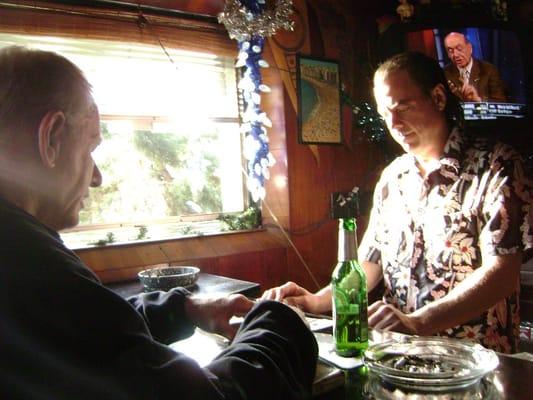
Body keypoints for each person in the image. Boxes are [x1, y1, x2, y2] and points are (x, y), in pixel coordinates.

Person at [0, 46, 317, 399]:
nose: (98, 178)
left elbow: (79, 326)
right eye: (90, 149)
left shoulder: (20, 255)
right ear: (52, 138)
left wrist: (182, 309)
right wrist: (279, 321)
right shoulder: (29, 263)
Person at [263, 52, 532, 354]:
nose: (393, 123)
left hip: (474, 363)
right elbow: (369, 264)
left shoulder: (497, 166)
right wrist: (316, 300)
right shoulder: (393, 177)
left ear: (439, 98)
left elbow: (503, 274)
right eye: (384, 112)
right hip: (400, 357)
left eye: (402, 107)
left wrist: (418, 322)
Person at [443, 32, 507, 102]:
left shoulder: (489, 70)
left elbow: (501, 102)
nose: (455, 55)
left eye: (459, 48)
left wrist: (478, 99)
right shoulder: (444, 74)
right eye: (450, 50)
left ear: (470, 48)